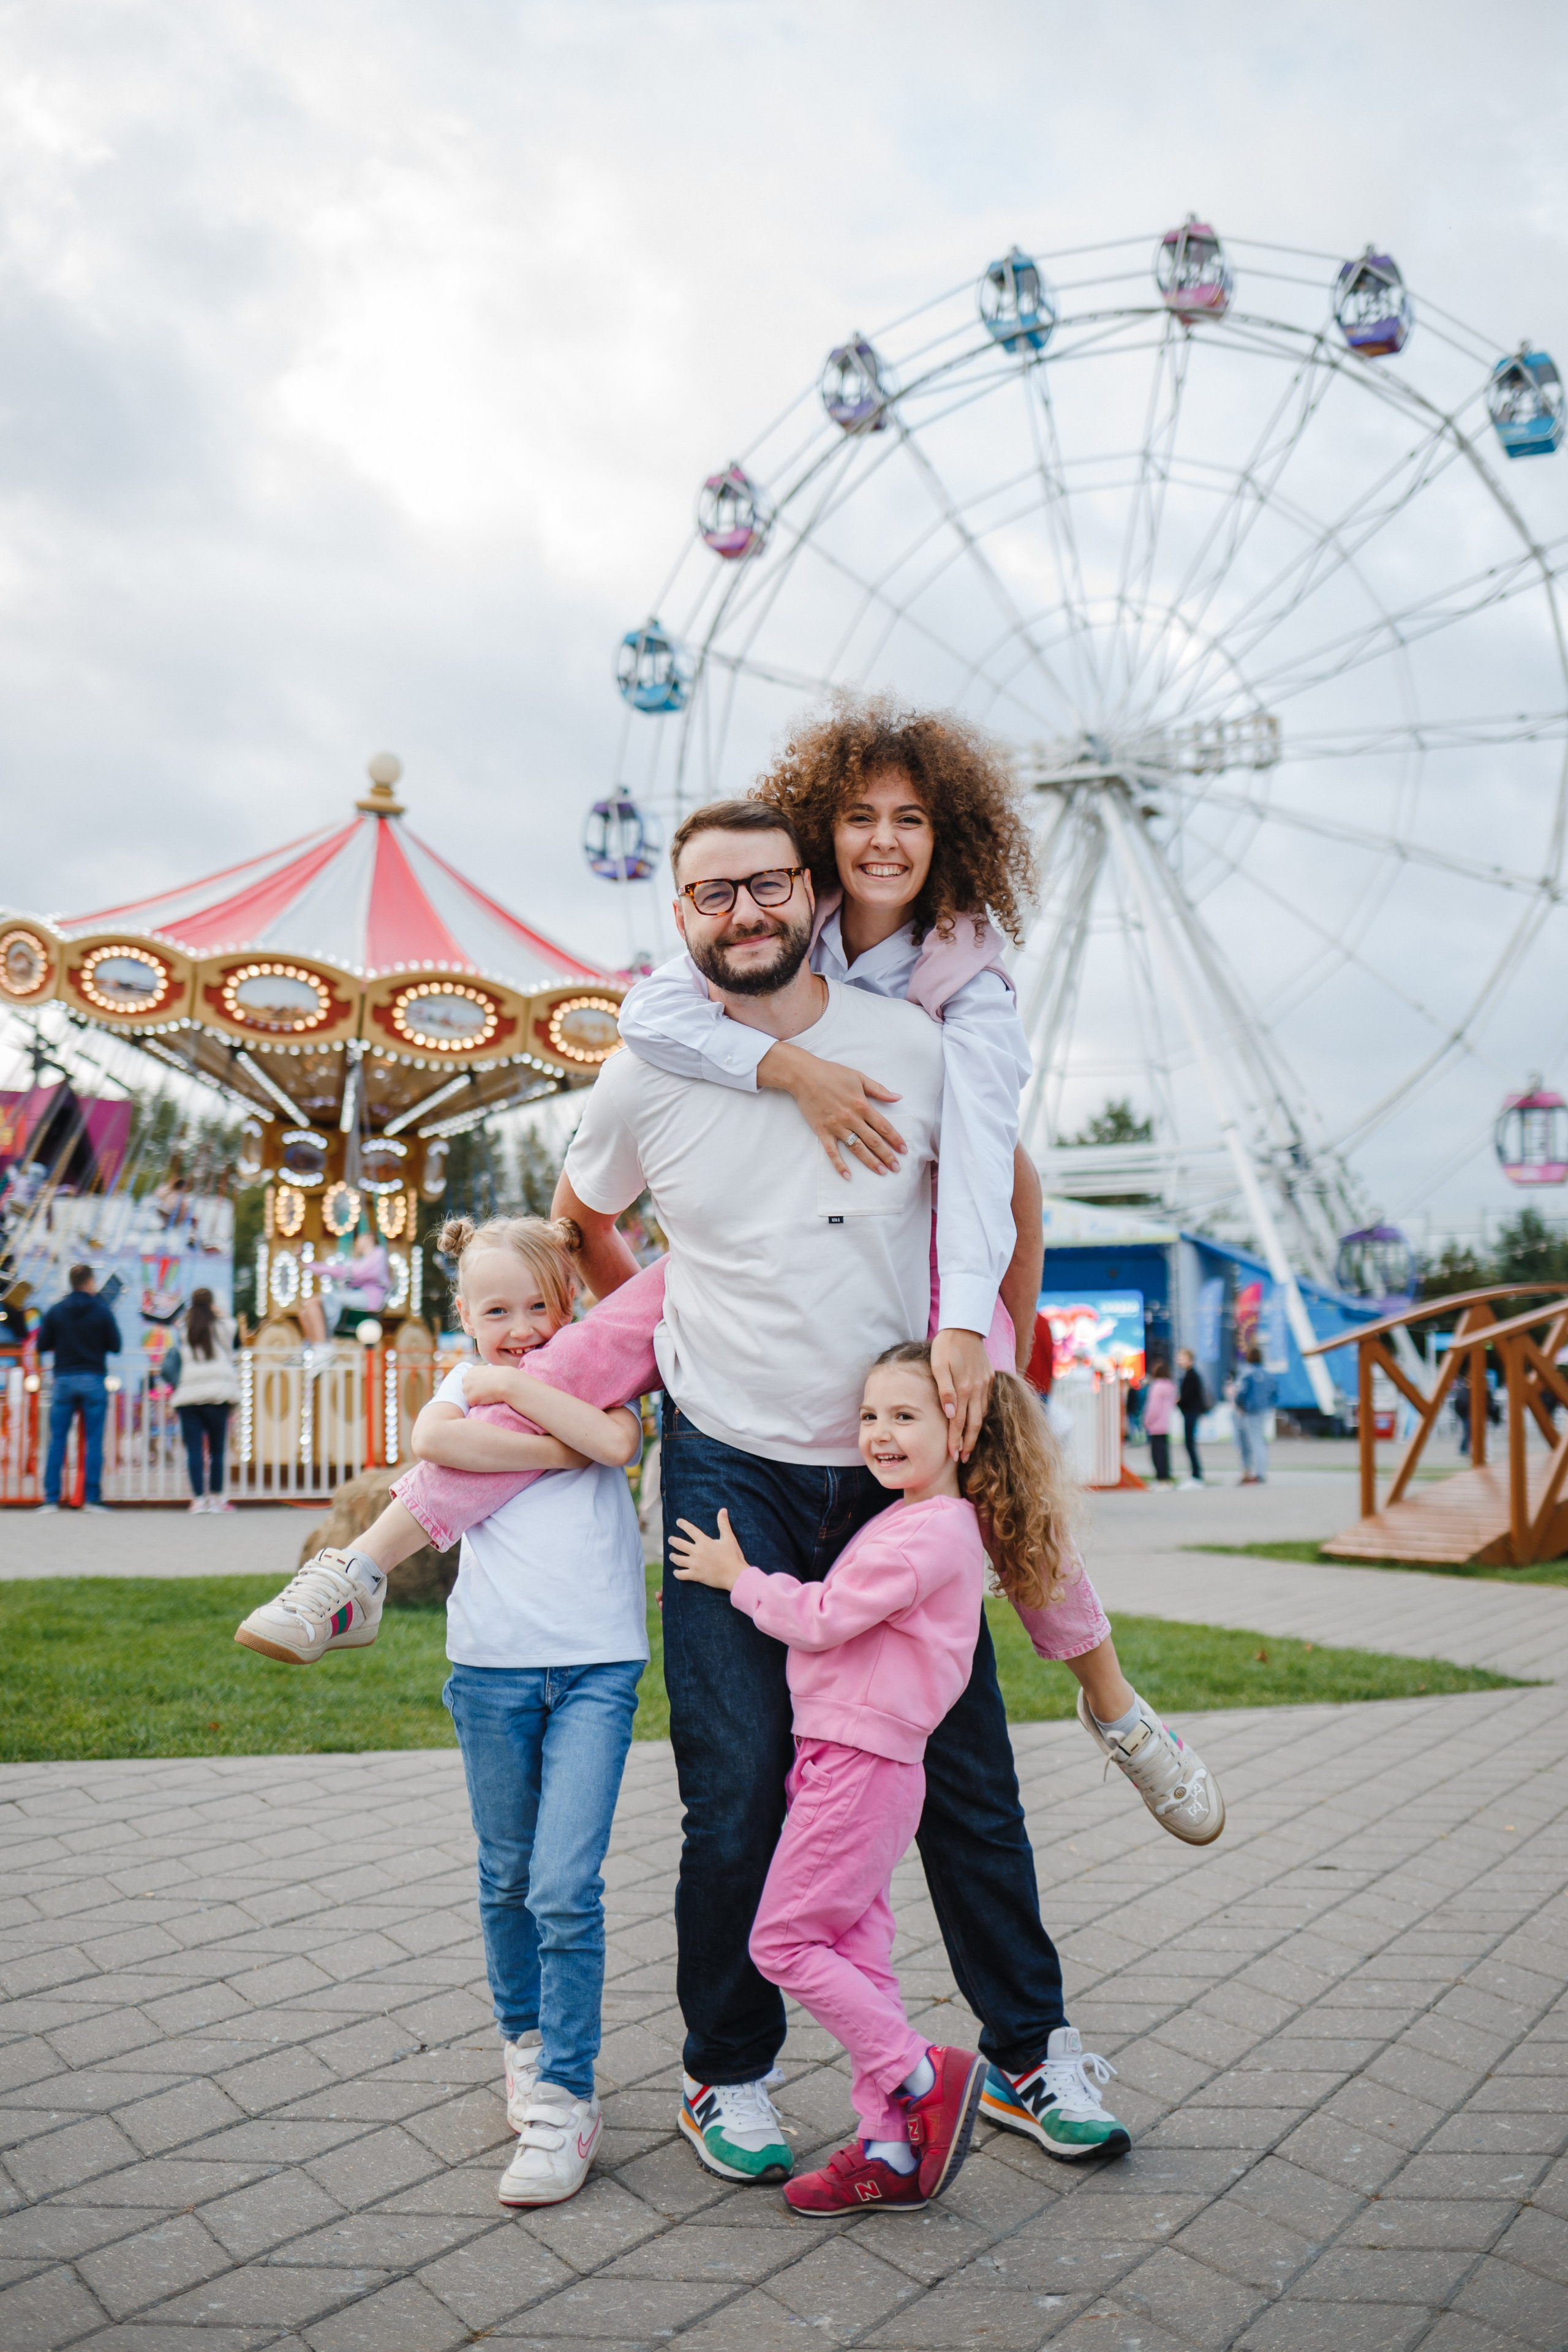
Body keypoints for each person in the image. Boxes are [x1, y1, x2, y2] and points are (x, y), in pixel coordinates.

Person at [249, 1213, 647, 2210]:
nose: (517, 1328)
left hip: (597, 1669)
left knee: (564, 1885)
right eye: (495, 1312)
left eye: (538, 1309)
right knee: (508, 1874)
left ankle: (566, 2093)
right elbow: (431, 1440)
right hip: (491, 1670)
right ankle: (525, 2042)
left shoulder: (594, 1378)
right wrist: (542, 1437)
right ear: (462, 1315)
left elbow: (614, 1439)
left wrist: (520, 1394)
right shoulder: (461, 1387)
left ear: (571, 1308)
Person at [669, 1341, 1063, 2215]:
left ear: (958, 1429)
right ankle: (887, 2145)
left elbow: (819, 1619)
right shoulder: (909, 1522)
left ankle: (921, 2076)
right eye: (870, 1417)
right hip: (852, 1762)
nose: (878, 1434)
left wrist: (738, 1579)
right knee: (857, 1955)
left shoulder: (927, 1536)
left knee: (783, 1944)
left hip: (860, 1765)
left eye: (905, 1416)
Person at [36, 1263, 120, 1514]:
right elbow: (115, 1345)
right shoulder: (102, 1311)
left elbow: (42, 1344)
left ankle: (51, 1499)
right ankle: (92, 1499)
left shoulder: (56, 1311)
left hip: (63, 1379)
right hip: (93, 1378)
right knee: (94, 1440)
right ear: (91, 1282)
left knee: (57, 1440)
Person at [170, 1287, 240, 1513]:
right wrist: (219, 1314)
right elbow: (235, 1340)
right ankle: (218, 1498)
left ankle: (199, 1499)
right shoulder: (224, 1326)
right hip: (217, 1394)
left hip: (189, 1394)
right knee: (217, 1450)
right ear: (212, 1303)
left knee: (194, 1450)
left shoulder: (184, 1327)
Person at [298, 1229, 390, 1346]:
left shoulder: (379, 1253)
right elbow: (341, 1271)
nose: (356, 1243)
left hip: (370, 1297)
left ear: (369, 1239)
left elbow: (357, 1273)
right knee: (305, 1310)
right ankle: (312, 1346)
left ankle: (322, 1347)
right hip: (358, 1295)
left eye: (358, 1239)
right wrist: (310, 1265)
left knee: (314, 1302)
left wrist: (342, 1272)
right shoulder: (361, 1260)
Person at [1232, 1346, 1276, 1485]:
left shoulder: (1247, 1373)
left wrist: (1239, 1404)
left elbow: (1241, 1392)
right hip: (1263, 1411)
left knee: (1247, 1443)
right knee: (1259, 1441)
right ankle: (1259, 1471)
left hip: (1249, 1412)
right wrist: (1269, 1405)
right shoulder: (1268, 1374)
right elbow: (1275, 1392)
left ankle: (1252, 1472)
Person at [1142, 1356, 1177, 1485]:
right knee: (1165, 1453)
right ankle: (1166, 1476)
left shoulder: (1156, 1387)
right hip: (1165, 1423)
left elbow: (1153, 1407)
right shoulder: (1170, 1386)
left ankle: (1160, 1478)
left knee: (1156, 1454)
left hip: (1155, 1425)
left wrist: (1147, 1421)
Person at [1176, 1348, 1208, 1487]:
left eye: (1182, 1358)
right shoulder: (1189, 1375)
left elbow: (1189, 1397)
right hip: (1190, 1412)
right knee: (1189, 1443)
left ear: (1190, 1359)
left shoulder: (1191, 1376)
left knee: (1189, 1443)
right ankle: (1196, 1473)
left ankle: (1196, 1474)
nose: (1179, 1361)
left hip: (1191, 1413)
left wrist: (1178, 1401)